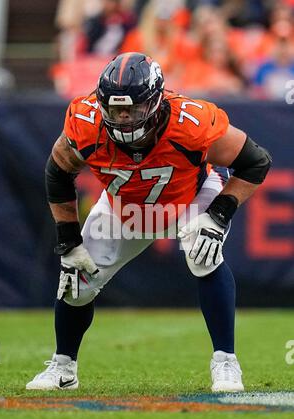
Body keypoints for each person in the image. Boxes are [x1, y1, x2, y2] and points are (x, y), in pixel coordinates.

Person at [26, 52, 271, 392]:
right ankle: (63, 368)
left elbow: (256, 162)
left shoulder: (190, 123)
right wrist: (69, 242)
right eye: (115, 110)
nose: (124, 119)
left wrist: (217, 216)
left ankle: (226, 362)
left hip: (190, 198)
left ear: (155, 103)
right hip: (123, 208)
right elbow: (58, 173)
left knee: (204, 255)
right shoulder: (86, 122)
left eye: (134, 109)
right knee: (76, 283)